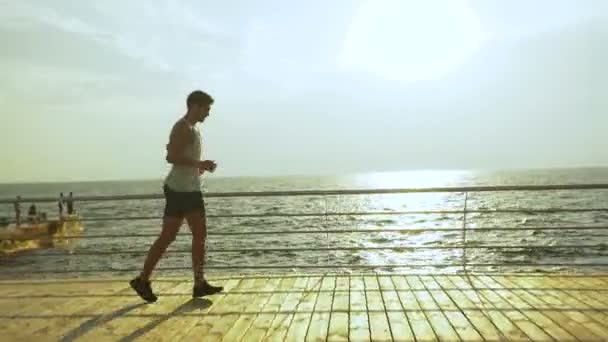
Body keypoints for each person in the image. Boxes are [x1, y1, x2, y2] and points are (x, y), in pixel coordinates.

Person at [130, 90, 223, 303]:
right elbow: (171, 157)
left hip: (181, 187)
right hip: (184, 191)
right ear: (195, 106)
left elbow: (180, 157)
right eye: (206, 109)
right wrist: (199, 164)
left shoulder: (192, 129)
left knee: (169, 237)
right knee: (198, 235)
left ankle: (143, 280)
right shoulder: (182, 127)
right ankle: (198, 283)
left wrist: (200, 168)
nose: (208, 114)